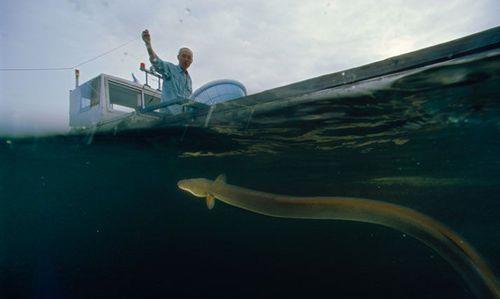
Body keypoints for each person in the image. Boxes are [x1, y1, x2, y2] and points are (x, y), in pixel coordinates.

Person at [141, 29, 193, 109]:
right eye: (184, 56)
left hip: (183, 117)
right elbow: (156, 62)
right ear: (178, 57)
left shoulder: (189, 80)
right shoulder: (170, 69)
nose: (186, 59)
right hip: (168, 116)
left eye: (189, 58)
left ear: (191, 61)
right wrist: (148, 44)